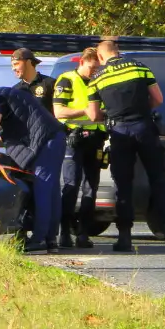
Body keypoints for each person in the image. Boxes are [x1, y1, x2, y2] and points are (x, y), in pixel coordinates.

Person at [85, 40, 165, 253]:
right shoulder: (139, 67)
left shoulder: (97, 78)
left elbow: (93, 115)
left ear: (101, 57)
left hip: (120, 133)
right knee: (158, 178)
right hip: (144, 127)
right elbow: (158, 98)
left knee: (123, 184)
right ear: (118, 52)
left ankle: (124, 237)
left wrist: (111, 113)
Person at [0, 80, 66, 253]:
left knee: (42, 189)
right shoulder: (5, 95)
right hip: (53, 139)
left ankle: (39, 239)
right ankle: (50, 240)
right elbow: (5, 140)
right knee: (51, 191)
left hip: (47, 141)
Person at [52, 47, 106, 249]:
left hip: (95, 139)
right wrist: (85, 111)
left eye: (97, 68)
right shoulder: (67, 79)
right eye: (92, 67)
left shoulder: (99, 81)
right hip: (73, 139)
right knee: (71, 185)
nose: (94, 71)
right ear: (83, 62)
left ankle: (83, 233)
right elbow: (58, 111)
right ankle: (65, 232)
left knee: (91, 188)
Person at [10, 47, 58, 112]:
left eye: (16, 64)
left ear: (28, 63)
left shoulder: (50, 83)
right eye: (12, 65)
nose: (13, 69)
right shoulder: (14, 90)